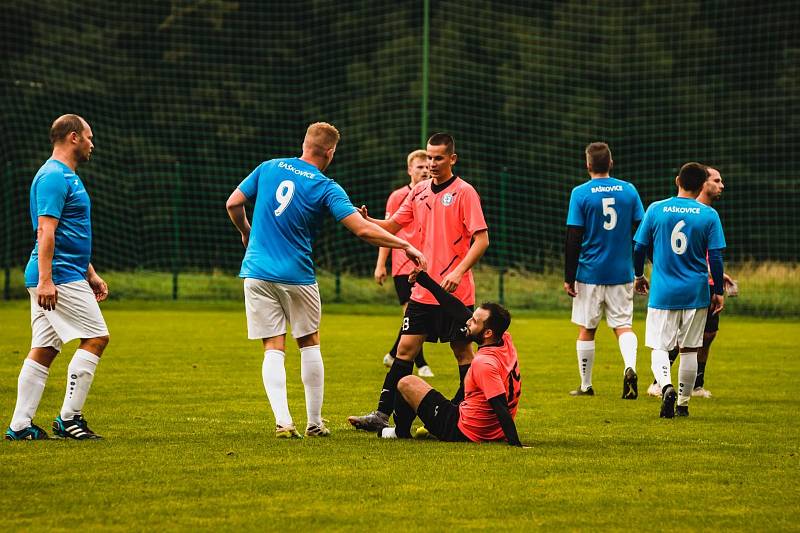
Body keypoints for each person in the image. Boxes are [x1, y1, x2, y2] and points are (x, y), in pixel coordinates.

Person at [225, 122, 426, 439]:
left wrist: (246, 232)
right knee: (308, 343)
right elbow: (361, 229)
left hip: (256, 272)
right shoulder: (325, 186)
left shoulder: (268, 167)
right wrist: (404, 244)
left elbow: (233, 203)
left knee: (273, 348)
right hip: (297, 275)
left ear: (304, 143)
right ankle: (315, 423)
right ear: (330, 152)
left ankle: (283, 422)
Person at [348, 132, 489, 432]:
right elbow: (392, 226)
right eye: (429, 157)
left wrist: (459, 271)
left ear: (452, 159)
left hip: (455, 293)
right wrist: (367, 220)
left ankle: (465, 411)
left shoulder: (465, 193)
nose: (432, 163)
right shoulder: (419, 192)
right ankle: (381, 415)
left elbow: (482, 239)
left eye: (439, 158)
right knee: (405, 350)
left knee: (462, 351)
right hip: (423, 289)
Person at [5, 114, 110, 441]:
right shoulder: (53, 176)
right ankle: (69, 418)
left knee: (45, 347)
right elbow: (46, 230)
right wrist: (48, 280)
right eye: (89, 137)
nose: (93, 144)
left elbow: (69, 233)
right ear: (74, 137)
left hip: (65, 271)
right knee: (96, 337)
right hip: (58, 276)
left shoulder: (66, 176)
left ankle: (20, 426)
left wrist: (90, 272)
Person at [378, 271, 523, 447]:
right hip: (490, 429)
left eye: (475, 321)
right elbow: (456, 309)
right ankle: (428, 426)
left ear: (487, 333)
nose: (468, 322)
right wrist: (426, 281)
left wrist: (516, 444)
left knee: (406, 382)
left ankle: (399, 432)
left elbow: (500, 405)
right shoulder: (504, 341)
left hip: (463, 430)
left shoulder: (484, 362)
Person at [633, 162, 726, 418]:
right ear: (701, 186)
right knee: (689, 349)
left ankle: (666, 386)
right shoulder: (709, 215)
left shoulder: (656, 209)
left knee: (660, 347)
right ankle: (683, 403)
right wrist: (717, 290)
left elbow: (639, 247)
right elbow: (716, 257)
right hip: (696, 292)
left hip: (663, 291)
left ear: (678, 181)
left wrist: (639, 275)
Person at [564, 142, 644, 399]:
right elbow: (641, 233)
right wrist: (641, 268)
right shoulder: (629, 191)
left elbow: (573, 237)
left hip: (589, 273)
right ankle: (629, 367)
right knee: (623, 326)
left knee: (587, 328)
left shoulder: (580, 193)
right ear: (611, 163)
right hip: (621, 272)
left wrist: (569, 277)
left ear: (588, 165)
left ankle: (586, 385)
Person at [374, 149, 434, 377]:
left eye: (426, 167)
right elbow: (387, 232)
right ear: (410, 170)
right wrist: (381, 264)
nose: (425, 170)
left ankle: (392, 355)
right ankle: (421, 364)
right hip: (402, 266)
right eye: (419, 167)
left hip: (425, 265)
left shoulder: (432, 195)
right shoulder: (399, 196)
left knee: (418, 318)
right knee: (413, 317)